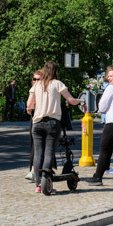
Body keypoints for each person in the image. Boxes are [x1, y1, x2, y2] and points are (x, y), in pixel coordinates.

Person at [27, 61, 84, 194]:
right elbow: (70, 100)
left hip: (37, 123)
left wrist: (38, 107)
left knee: (38, 153)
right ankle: (47, 184)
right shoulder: (57, 84)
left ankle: (38, 185)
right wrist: (81, 101)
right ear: (55, 71)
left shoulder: (36, 85)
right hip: (52, 123)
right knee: (48, 152)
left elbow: (29, 105)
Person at [25, 71, 43, 182]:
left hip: (43, 120)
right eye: (34, 79)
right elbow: (29, 109)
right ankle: (34, 170)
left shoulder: (44, 90)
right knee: (33, 145)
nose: (36, 81)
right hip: (34, 120)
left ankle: (34, 171)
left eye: (38, 79)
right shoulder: (32, 91)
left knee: (38, 147)